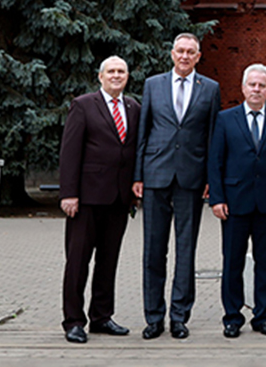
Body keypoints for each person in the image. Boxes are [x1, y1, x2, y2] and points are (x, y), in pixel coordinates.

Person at [132, 32, 220, 340]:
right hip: (156, 174)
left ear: (198, 56)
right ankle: (153, 317)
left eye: (190, 52)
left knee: (186, 250)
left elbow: (211, 137)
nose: (184, 56)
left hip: (191, 178)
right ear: (172, 54)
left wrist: (211, 177)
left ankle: (179, 316)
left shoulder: (210, 89)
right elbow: (143, 131)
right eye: (180, 51)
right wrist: (138, 176)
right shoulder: (153, 85)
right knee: (153, 251)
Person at [208, 64, 266, 338]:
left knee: (265, 262)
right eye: (252, 85)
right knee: (232, 262)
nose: (257, 90)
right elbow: (216, 161)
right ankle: (232, 317)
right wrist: (217, 198)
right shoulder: (225, 118)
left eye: (262, 85)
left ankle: (263, 317)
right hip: (234, 202)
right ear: (243, 88)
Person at [59, 56, 141, 344]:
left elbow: (133, 150)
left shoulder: (133, 107)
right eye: (111, 72)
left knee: (108, 261)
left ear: (127, 77)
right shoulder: (83, 105)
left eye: (121, 71)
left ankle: (101, 317)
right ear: (101, 76)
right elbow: (70, 152)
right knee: (78, 261)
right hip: (86, 198)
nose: (116, 76)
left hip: (120, 199)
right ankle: (73, 321)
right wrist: (69, 193)